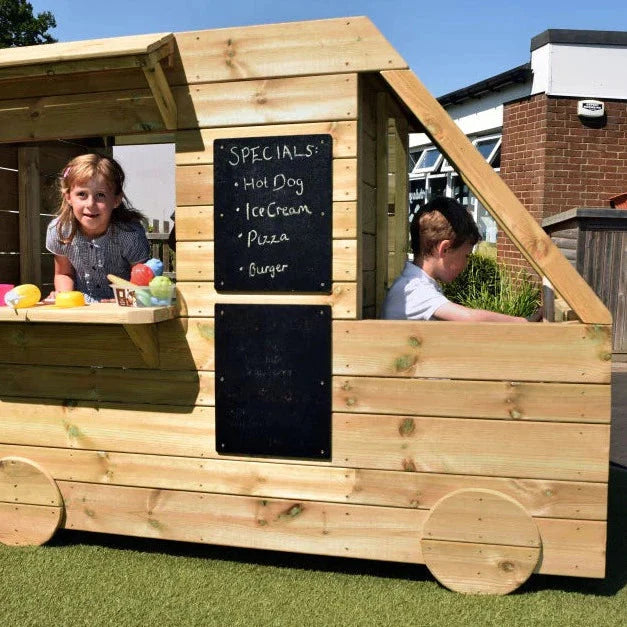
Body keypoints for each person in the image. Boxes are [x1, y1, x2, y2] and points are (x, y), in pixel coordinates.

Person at [382, 196, 533, 322]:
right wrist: (522, 322)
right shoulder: (413, 289)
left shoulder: (416, 283)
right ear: (444, 249)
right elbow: (471, 318)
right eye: (466, 255)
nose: (466, 263)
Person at [46, 154, 150, 302]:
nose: (91, 204)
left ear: (116, 200)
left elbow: (144, 279)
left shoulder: (130, 235)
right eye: (82, 194)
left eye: (100, 195)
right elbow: (64, 273)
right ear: (68, 197)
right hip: (82, 308)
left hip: (125, 307)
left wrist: (127, 298)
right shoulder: (60, 231)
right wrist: (64, 297)